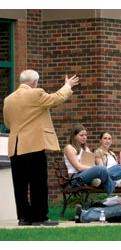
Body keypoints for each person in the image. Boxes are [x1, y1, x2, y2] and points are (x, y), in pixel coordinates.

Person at [3, 69, 79, 226]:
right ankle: (40, 217)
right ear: (33, 82)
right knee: (38, 183)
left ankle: (24, 218)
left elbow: (7, 123)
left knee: (20, 185)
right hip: (33, 145)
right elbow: (55, 99)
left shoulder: (8, 99)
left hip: (15, 147)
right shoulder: (36, 93)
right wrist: (67, 86)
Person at [64, 124, 121, 195]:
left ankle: (102, 181)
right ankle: (113, 184)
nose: (84, 137)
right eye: (81, 135)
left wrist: (93, 168)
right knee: (101, 169)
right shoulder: (69, 148)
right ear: (74, 136)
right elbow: (79, 167)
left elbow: (91, 164)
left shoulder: (85, 148)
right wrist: (94, 168)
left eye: (85, 135)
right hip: (76, 178)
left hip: (88, 175)